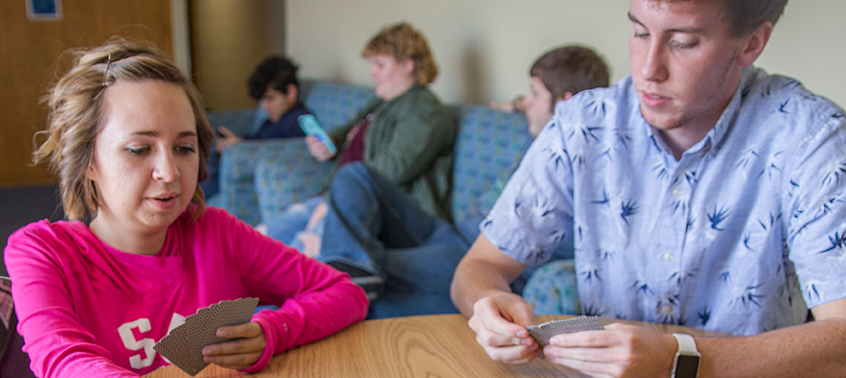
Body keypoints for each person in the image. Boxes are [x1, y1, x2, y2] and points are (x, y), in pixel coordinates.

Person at [451, 0, 846, 377]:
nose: (648, 69)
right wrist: (486, 304)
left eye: (683, 42)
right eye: (640, 32)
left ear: (751, 42)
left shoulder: (812, 139)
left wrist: (681, 361)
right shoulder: (583, 125)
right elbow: (477, 268)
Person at [4, 38, 368, 378]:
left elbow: (345, 294)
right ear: (88, 161)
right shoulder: (41, 251)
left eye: (184, 148)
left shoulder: (217, 232)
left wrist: (272, 330)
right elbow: (62, 359)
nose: (169, 172)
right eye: (139, 149)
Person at [318, 46, 609, 312]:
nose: (526, 103)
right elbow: (539, 108)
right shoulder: (547, 138)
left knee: (345, 273)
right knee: (355, 175)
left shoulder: (583, 169)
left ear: (565, 103)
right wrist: (518, 105)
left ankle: (346, 272)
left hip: (472, 258)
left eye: (534, 94)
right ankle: (348, 262)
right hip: (451, 232)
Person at [265, 22, 456, 255]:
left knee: (298, 254)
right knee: (265, 237)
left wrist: (333, 200)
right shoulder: (382, 102)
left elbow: (390, 169)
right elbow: (347, 129)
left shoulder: (425, 111)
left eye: (380, 65)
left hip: (388, 212)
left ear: (408, 65)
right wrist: (330, 142)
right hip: (345, 199)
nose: (372, 72)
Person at [201, 55, 310, 198]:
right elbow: (259, 140)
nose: (265, 106)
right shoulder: (274, 118)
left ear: (291, 92)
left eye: (270, 98)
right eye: (262, 100)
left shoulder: (300, 120)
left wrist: (240, 147)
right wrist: (236, 142)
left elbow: (295, 151)